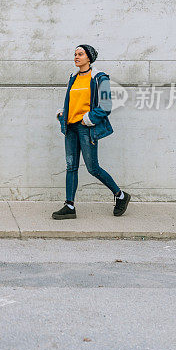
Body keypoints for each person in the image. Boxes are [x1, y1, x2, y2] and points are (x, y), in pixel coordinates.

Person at [52, 44, 130, 219]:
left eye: (80, 54)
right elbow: (73, 101)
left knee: (92, 168)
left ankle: (121, 196)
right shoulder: (73, 78)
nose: (76, 57)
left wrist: (89, 119)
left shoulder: (100, 78)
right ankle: (69, 206)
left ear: (89, 57)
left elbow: (106, 105)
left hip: (86, 128)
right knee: (71, 167)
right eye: (75, 54)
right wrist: (63, 113)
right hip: (70, 127)